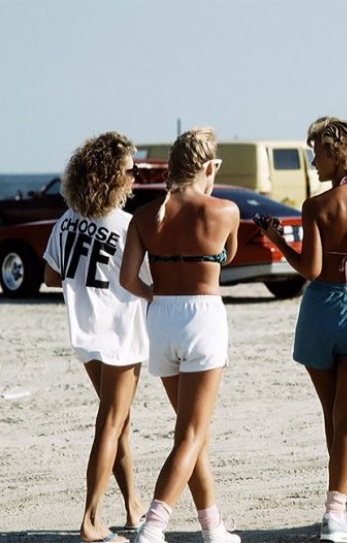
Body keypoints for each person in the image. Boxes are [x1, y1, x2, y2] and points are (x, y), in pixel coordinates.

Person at [258, 116, 347, 542]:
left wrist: (279, 240)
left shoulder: (317, 206)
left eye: (317, 152)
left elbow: (311, 269)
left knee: (334, 416)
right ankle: (337, 512)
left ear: (336, 152)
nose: (314, 161)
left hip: (321, 311)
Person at [120, 127, 241, 543]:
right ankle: (153, 527)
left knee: (191, 435)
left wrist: (157, 294)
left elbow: (128, 278)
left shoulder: (144, 215)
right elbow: (231, 256)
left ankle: (213, 527)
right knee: (191, 435)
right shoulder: (225, 210)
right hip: (203, 317)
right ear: (209, 167)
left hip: (161, 317)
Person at [42, 131, 148, 543]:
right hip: (120, 333)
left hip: (85, 334)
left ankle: (132, 505)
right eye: (128, 170)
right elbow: (145, 281)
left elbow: (52, 277)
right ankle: (90, 520)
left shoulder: (65, 221)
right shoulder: (126, 226)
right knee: (111, 423)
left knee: (118, 423)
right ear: (109, 176)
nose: (135, 176)